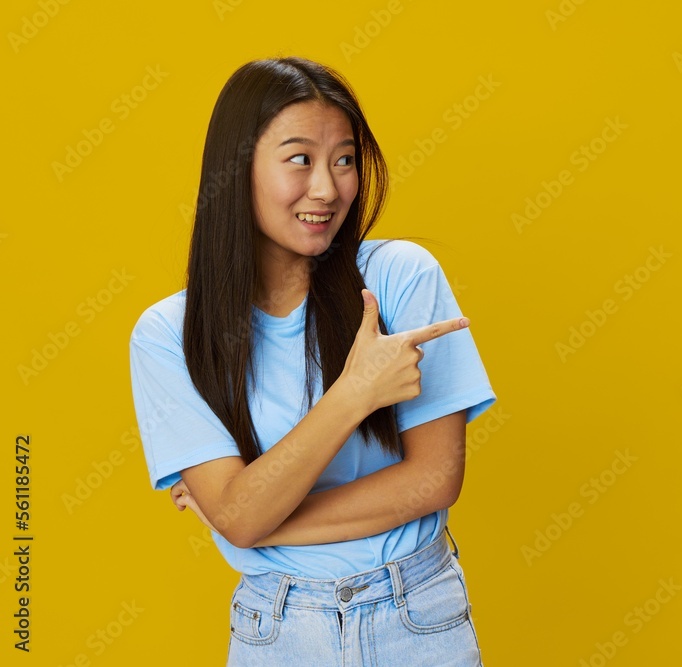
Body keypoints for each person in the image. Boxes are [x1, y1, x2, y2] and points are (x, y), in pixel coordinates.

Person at [128, 56, 495, 666]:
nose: (327, 187)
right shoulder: (168, 334)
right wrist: (355, 393)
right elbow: (242, 513)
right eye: (299, 158)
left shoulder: (399, 277)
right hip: (279, 629)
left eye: (344, 159)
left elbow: (434, 480)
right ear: (237, 168)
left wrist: (246, 514)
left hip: (418, 614)